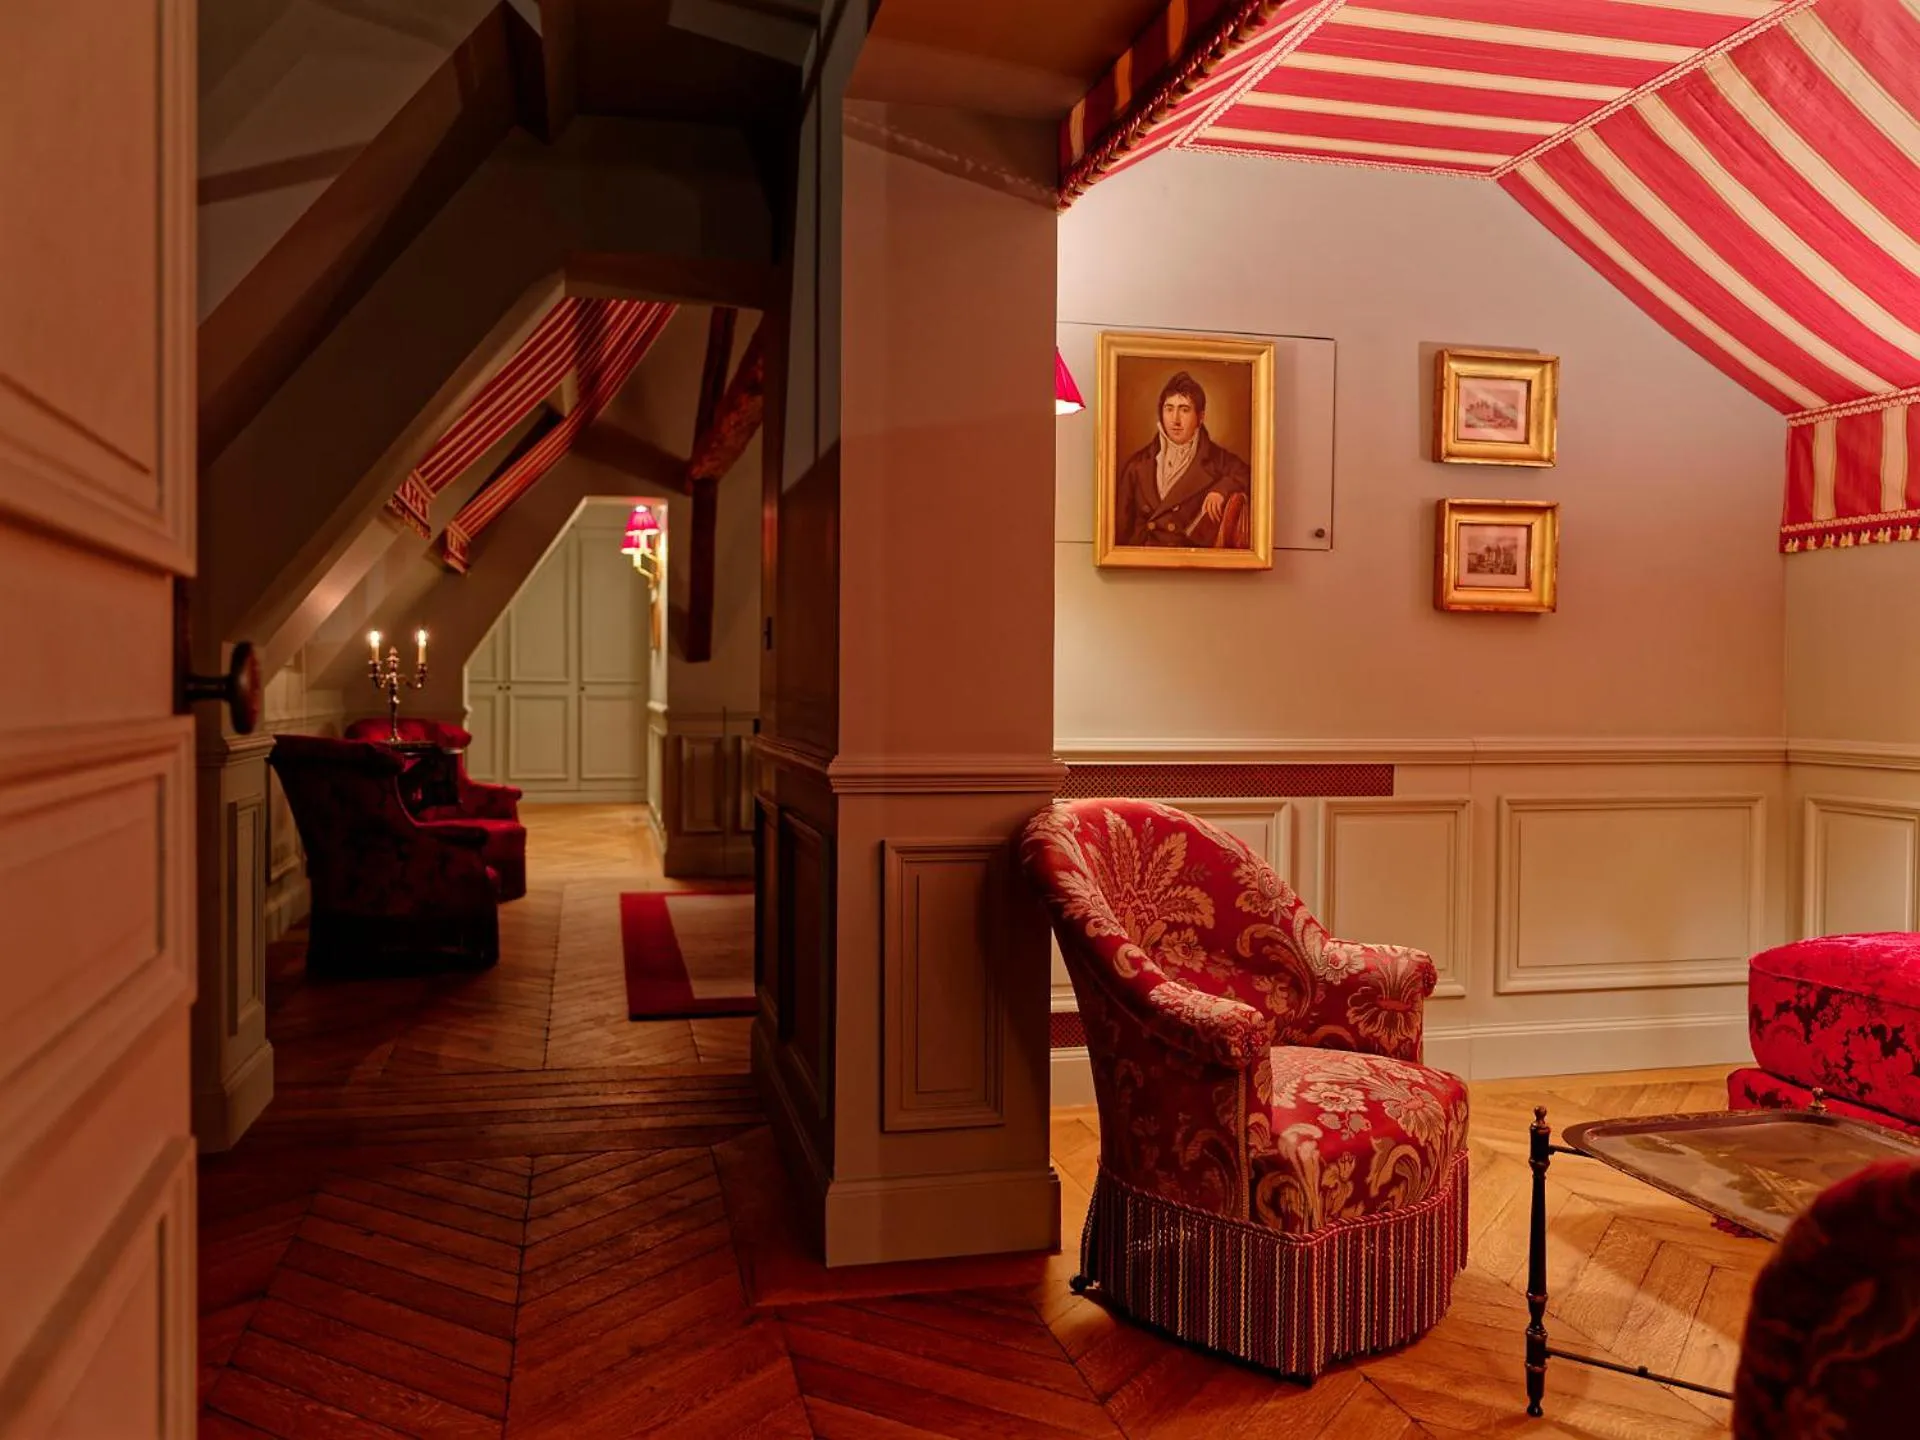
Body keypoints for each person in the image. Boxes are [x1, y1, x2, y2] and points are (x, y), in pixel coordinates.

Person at [1114, 371, 1252, 549]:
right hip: (1143, 562)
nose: (1175, 420)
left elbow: (1251, 476)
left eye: (1184, 410)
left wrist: (1222, 489)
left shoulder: (1217, 459)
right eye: (1169, 409)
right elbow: (1120, 531)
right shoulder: (1137, 465)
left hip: (1191, 564)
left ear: (1200, 417)